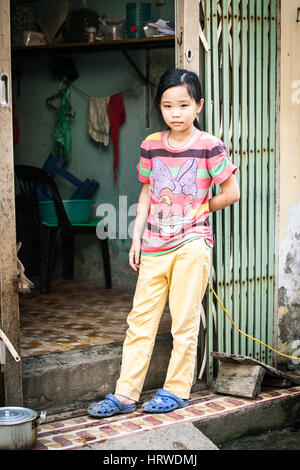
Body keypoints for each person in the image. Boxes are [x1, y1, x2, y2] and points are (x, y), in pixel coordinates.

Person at [87, 68, 240, 418]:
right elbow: (146, 192)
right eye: (168, 105)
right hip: (155, 244)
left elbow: (232, 192)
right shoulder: (151, 145)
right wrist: (136, 236)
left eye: (183, 105)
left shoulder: (209, 145)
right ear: (160, 107)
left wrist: (203, 206)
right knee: (140, 320)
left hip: (192, 243)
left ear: (198, 106)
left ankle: (176, 390)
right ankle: (125, 395)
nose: (175, 112)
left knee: (184, 322)